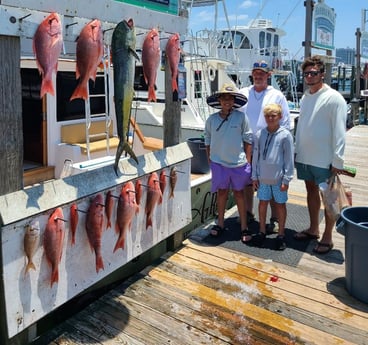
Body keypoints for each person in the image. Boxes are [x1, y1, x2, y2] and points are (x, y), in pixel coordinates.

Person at [294, 55, 347, 254]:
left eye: (313, 73)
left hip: (324, 160)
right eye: (306, 73)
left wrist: (337, 160)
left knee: (329, 198)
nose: (309, 76)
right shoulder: (305, 97)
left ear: (322, 74)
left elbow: (340, 131)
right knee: (310, 192)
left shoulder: (334, 98)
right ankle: (314, 228)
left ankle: (328, 236)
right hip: (305, 157)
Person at [239, 61, 291, 231]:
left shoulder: (277, 95)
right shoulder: (243, 92)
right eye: (255, 73)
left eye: (262, 73)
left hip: (269, 146)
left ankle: (275, 218)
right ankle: (248, 212)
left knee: (272, 182)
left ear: (269, 75)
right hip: (246, 146)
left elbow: (286, 123)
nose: (258, 76)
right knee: (248, 181)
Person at [242, 103, 294, 250]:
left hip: (278, 180)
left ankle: (281, 234)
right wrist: (254, 176)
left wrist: (287, 179)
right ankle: (262, 231)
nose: (270, 118)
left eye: (273, 115)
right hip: (262, 179)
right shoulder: (259, 134)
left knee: (280, 205)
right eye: (267, 116)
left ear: (280, 117)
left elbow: (289, 159)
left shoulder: (285, 135)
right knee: (262, 203)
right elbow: (256, 157)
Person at [204, 83, 252, 238]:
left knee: (239, 193)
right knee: (222, 193)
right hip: (219, 163)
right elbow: (207, 141)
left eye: (230, 98)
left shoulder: (242, 117)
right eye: (224, 98)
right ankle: (220, 224)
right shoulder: (211, 119)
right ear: (219, 100)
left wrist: (248, 161)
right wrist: (210, 160)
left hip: (238, 163)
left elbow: (248, 139)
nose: (227, 101)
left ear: (234, 101)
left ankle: (244, 226)